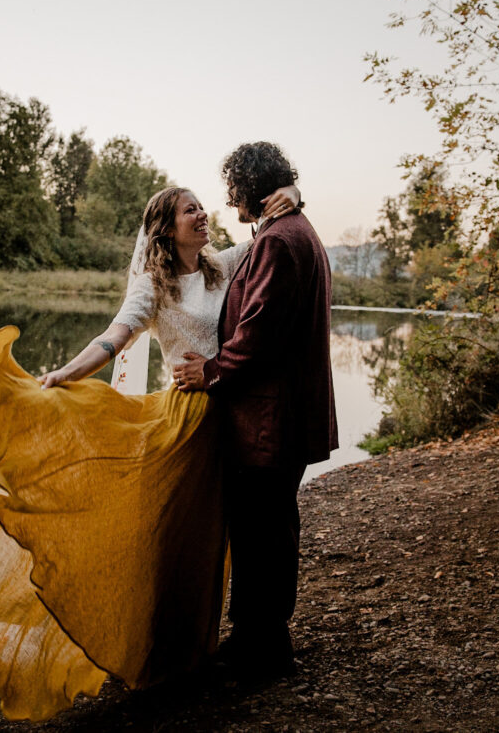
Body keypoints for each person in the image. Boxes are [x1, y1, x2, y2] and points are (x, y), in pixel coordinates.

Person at [0, 182, 300, 721]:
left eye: (202, 207)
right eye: (190, 211)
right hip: (184, 422)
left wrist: (293, 192)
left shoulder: (222, 266)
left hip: (226, 421)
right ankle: (154, 650)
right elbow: (115, 338)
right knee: (170, 539)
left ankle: (205, 647)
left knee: (210, 541)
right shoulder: (151, 286)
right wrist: (67, 372)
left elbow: (270, 237)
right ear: (165, 228)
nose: (203, 215)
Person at [173, 141, 338, 679]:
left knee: (261, 533)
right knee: (268, 528)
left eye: (232, 192)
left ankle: (262, 651)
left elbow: (259, 332)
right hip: (287, 412)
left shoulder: (279, 241)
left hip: (270, 418)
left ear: (250, 189)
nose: (227, 203)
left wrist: (211, 372)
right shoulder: (294, 231)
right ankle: (261, 643)